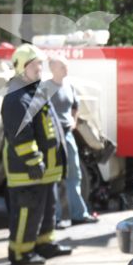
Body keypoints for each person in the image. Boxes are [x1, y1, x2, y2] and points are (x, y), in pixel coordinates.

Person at [0, 44, 71, 265]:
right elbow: (21, 136)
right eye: (35, 64)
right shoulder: (16, 98)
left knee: (46, 209)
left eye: (40, 63)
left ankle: (44, 244)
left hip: (45, 169)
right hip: (27, 169)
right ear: (21, 67)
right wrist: (33, 160)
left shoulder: (34, 91)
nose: (40, 68)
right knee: (26, 213)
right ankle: (21, 252)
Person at [47, 57, 97, 227]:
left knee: (75, 174)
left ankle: (79, 213)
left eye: (66, 66)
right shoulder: (46, 88)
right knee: (54, 177)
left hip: (68, 134)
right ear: (53, 68)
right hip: (53, 135)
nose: (66, 69)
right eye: (62, 66)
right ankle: (55, 218)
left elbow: (75, 106)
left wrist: (74, 121)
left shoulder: (69, 86)